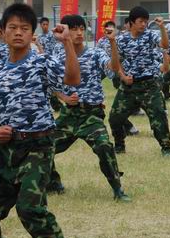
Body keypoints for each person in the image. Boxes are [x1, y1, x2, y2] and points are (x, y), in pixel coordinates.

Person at [0, 3, 80, 238]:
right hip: (7, 149)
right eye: (12, 28)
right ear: (3, 33)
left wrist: (67, 45)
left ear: (32, 35)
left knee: (30, 209)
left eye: (24, 28)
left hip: (38, 146)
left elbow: (72, 80)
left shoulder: (41, 63)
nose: (18, 33)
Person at [47, 15, 130, 202]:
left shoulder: (95, 53)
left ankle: (117, 189)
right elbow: (51, 83)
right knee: (43, 145)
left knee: (103, 146)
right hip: (69, 114)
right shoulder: (58, 55)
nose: (78, 33)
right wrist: (64, 97)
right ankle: (53, 183)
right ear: (64, 31)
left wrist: (113, 42)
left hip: (91, 114)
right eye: (73, 29)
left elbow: (113, 68)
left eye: (81, 29)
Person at [108, 6, 170, 155]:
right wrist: (123, 77)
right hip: (128, 87)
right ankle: (119, 146)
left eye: (145, 21)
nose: (143, 24)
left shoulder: (150, 35)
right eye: (140, 21)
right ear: (132, 22)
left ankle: (166, 148)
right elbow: (118, 63)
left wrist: (162, 28)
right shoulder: (122, 39)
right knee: (115, 118)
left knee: (159, 118)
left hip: (149, 85)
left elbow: (165, 45)